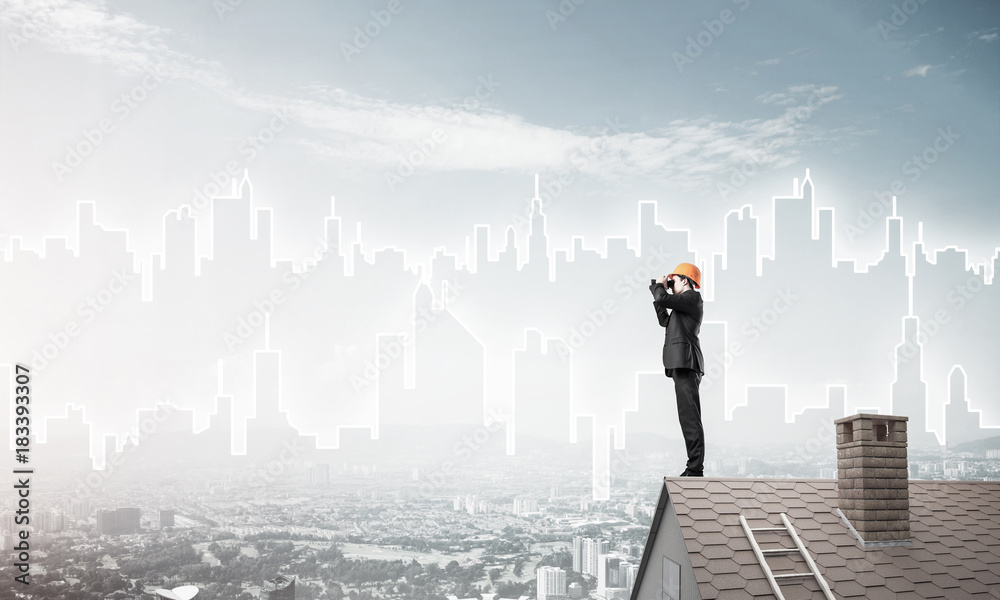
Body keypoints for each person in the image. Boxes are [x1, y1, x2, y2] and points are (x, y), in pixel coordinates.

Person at [650, 263, 705, 477]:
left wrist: (659, 288)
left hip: (687, 363)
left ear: (685, 280)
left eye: (674, 282)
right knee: (686, 416)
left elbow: (664, 299)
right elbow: (664, 320)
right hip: (681, 364)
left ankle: (695, 468)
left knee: (690, 417)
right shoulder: (681, 307)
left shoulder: (692, 298)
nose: (671, 286)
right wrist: (657, 288)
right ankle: (693, 467)